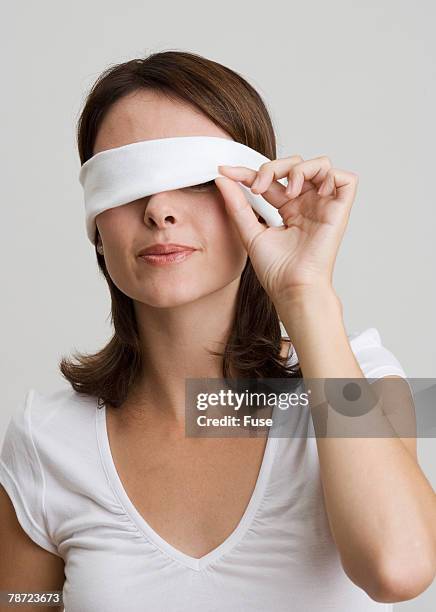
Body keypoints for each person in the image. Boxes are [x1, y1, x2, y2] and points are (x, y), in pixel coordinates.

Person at [1, 50, 435, 612]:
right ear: (95, 220)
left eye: (197, 181)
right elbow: (21, 602)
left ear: (255, 195)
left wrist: (306, 297)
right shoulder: (46, 440)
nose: (159, 209)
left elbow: (398, 571)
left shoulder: (364, 383)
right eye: (127, 183)